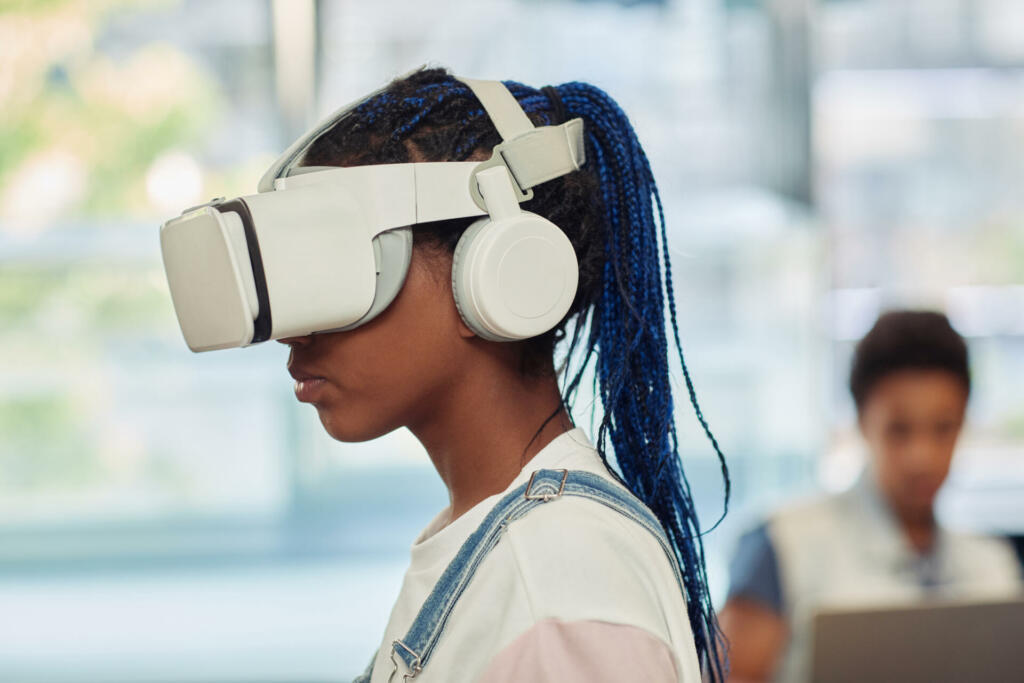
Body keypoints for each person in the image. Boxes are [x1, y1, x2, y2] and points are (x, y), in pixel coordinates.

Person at [277, 68, 730, 682]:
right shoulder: (507, 547)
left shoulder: (554, 581)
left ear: (495, 273)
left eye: (347, 268)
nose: (295, 330)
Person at [719, 310, 1023, 682]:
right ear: (862, 421)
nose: (921, 457)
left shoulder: (994, 567)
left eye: (943, 428)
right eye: (899, 430)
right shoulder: (782, 544)